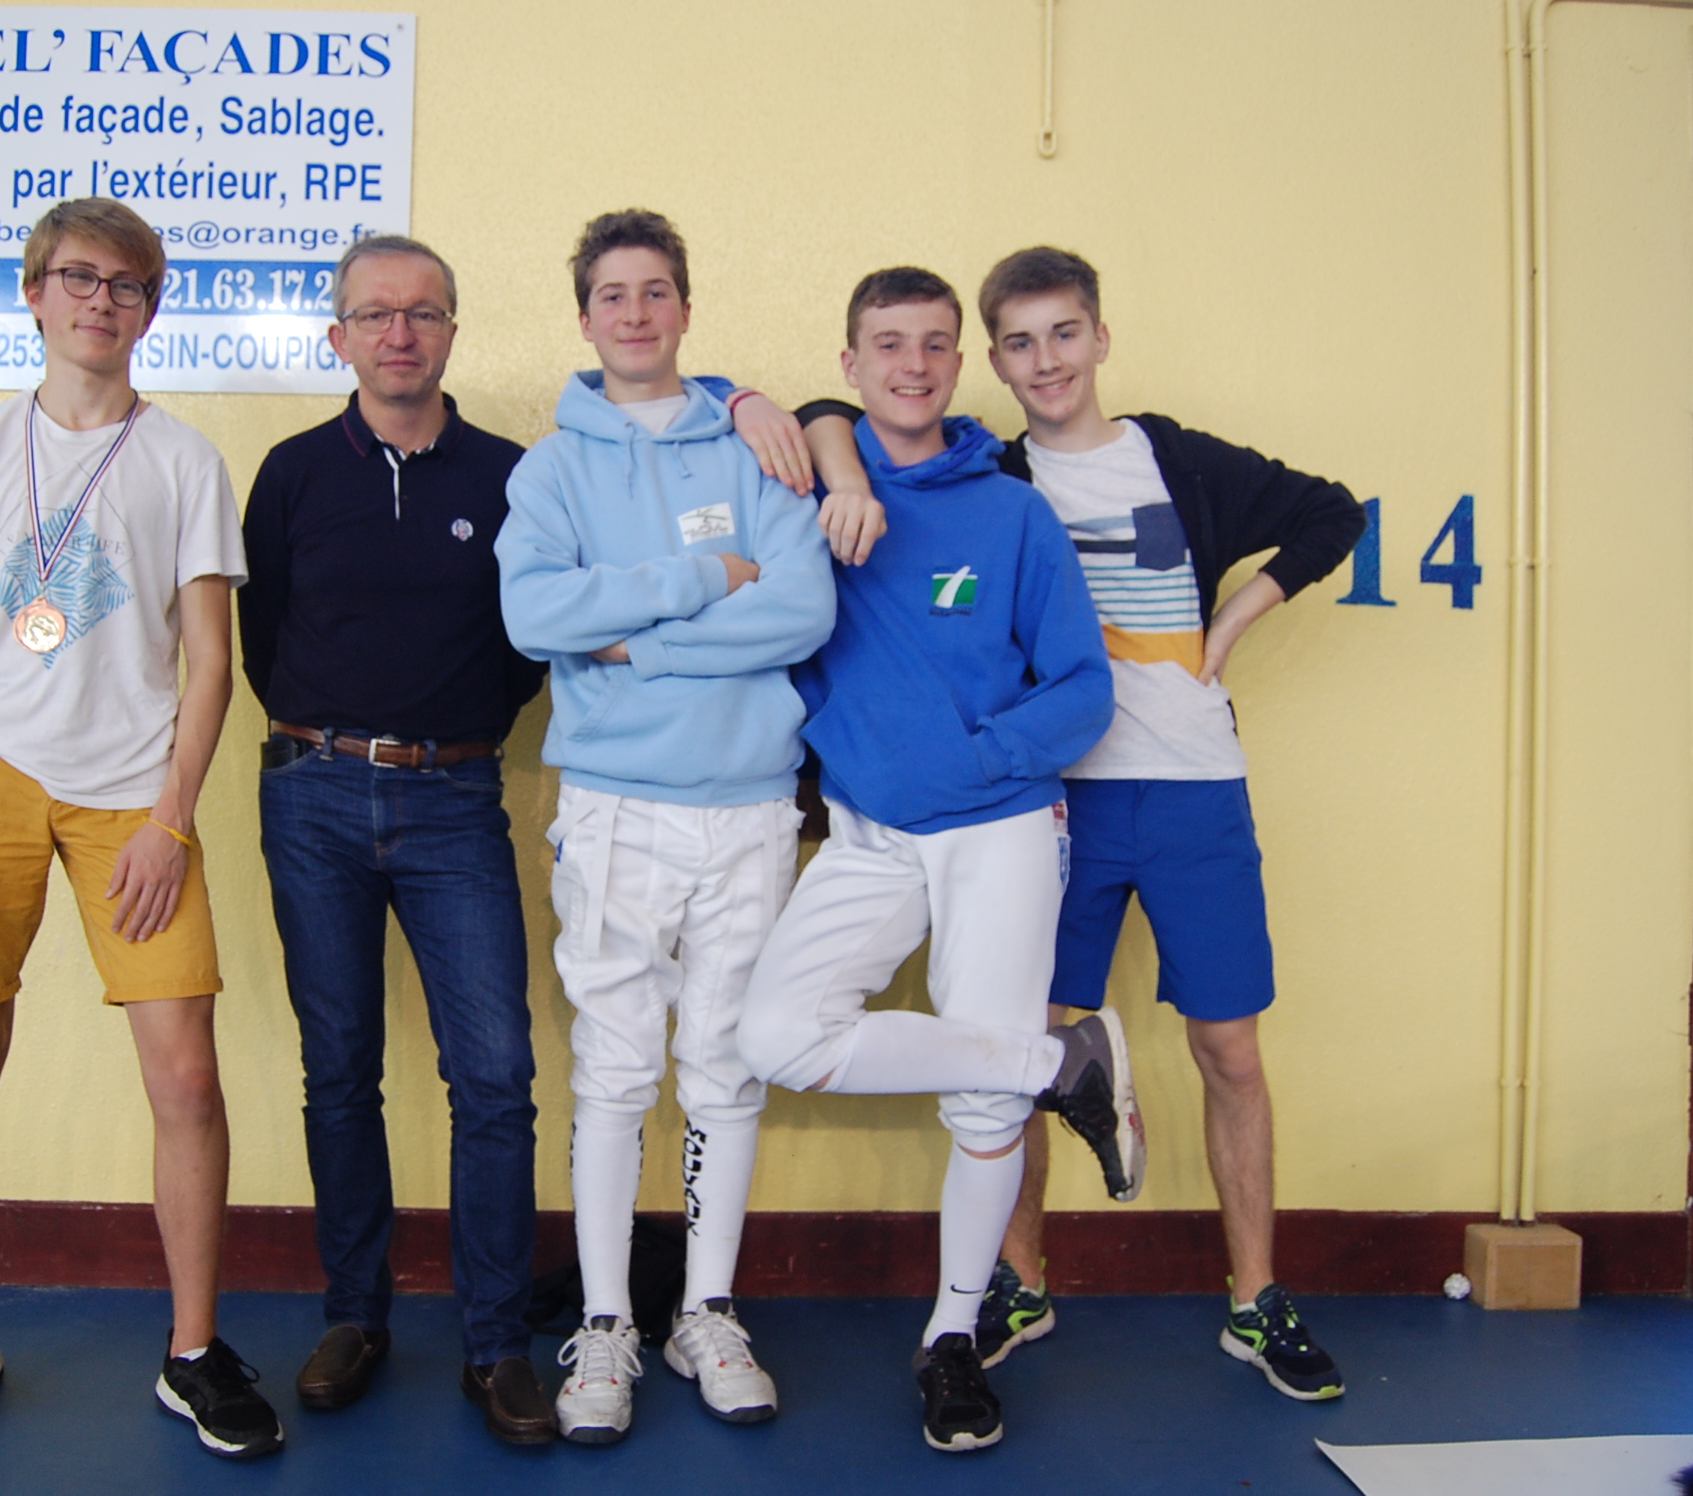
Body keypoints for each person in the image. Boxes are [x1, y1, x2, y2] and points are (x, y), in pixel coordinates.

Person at [240, 231, 819, 1446]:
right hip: (315, 790)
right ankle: (355, 1316)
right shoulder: (296, 473)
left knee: (497, 1072)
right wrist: (713, 577)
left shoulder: (508, 469)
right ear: (340, 334)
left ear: (455, 330)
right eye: (376, 314)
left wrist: (641, 627)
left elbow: (775, 609)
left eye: (424, 312)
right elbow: (283, 633)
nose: (400, 333)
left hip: (457, 794)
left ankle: (498, 1340)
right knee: (339, 1066)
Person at [800, 245, 1365, 1401]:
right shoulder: (992, 477)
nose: (1046, 359)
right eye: (1020, 342)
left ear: (1100, 338)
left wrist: (1230, 624)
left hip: (1196, 789)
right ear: (993, 362)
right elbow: (827, 412)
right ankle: (1020, 1280)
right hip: (1054, 800)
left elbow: (1330, 512)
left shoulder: (1175, 459)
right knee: (1028, 1044)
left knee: (1230, 1049)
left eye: (1065, 332)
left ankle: (1256, 1297)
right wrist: (829, 452)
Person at [0, 198, 279, 1459]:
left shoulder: (184, 461)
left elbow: (210, 663)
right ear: (34, 292)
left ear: (152, 309)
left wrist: (171, 819)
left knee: (186, 1073)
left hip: (127, 794)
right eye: (79, 278)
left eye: (127, 285)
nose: (102, 301)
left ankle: (194, 1349)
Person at [736, 266, 1140, 1455]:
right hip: (870, 831)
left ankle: (954, 1335)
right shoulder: (806, 491)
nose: (911, 365)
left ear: (959, 364)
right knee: (779, 1032)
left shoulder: (1013, 513)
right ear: (849, 364)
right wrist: (775, 414)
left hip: (1001, 824)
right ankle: (1056, 1060)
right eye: (887, 344)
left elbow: (1084, 689)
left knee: (982, 1104)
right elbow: (679, 390)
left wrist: (975, 760)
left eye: (932, 345)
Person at [496, 208, 838, 1446]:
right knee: (615, 1066)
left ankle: (706, 1310)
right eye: (613, 295)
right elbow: (539, 617)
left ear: (686, 308)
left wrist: (636, 641)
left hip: (747, 802)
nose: (635, 313)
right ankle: (606, 1322)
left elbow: (801, 609)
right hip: (616, 807)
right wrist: (700, 581)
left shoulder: (756, 449)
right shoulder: (551, 470)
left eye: (656, 291)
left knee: (726, 1065)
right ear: (584, 317)